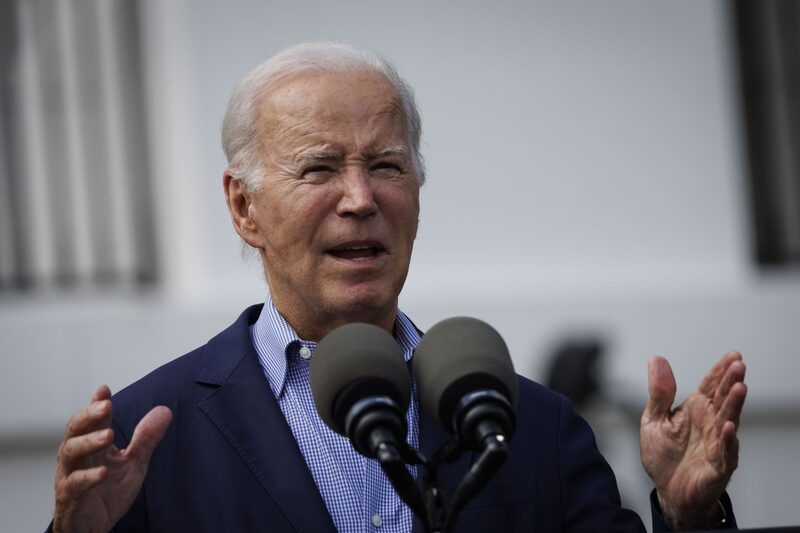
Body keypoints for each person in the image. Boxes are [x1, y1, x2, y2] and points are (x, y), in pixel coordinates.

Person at [50, 42, 747, 532]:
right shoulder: (141, 442)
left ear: (417, 190)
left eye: (386, 164)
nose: (360, 197)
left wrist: (690, 517)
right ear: (243, 207)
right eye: (320, 169)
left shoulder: (536, 428)